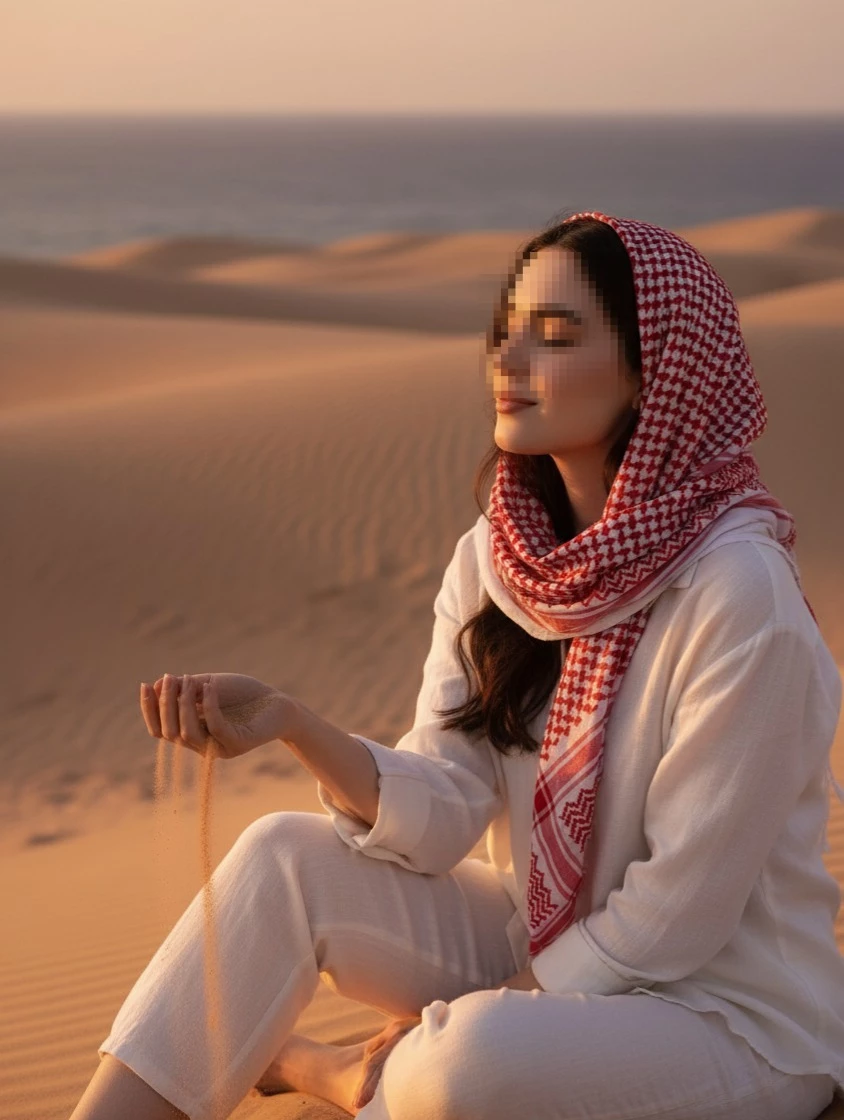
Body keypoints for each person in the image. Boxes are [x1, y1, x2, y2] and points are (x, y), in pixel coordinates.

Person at [70, 211, 844, 1120]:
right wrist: (293, 724)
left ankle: (341, 1076)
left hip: (729, 1014)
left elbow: (679, 912)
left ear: (651, 373)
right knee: (282, 858)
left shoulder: (740, 590)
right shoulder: (495, 562)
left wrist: (502, 998)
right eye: (503, 334)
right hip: (549, 942)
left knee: (467, 1066)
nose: (509, 362)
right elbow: (442, 802)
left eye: (554, 337)